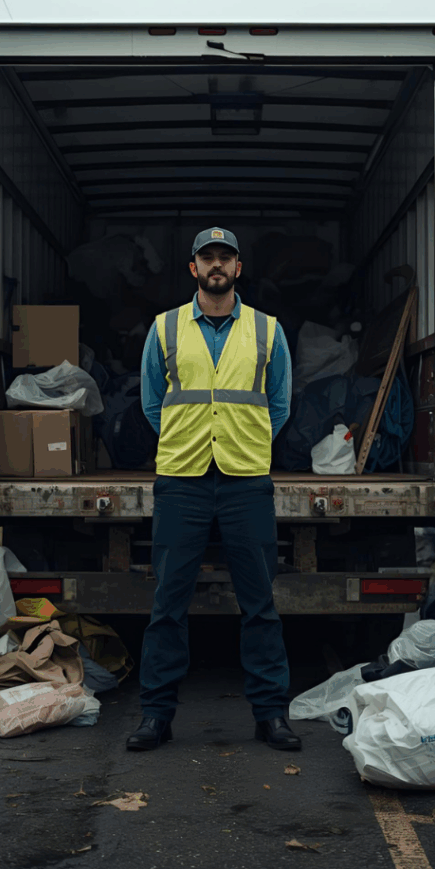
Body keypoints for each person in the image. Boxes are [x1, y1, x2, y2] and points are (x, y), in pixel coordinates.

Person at [126, 226, 300, 752]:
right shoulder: (165, 328)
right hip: (182, 480)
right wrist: (190, 440)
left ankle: (270, 715)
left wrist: (240, 441)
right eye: (208, 258)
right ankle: (156, 716)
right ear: (194, 269)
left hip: (247, 480)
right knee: (167, 606)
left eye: (226, 257)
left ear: (238, 269)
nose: (217, 265)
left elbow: (280, 406)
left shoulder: (269, 331)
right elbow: (153, 403)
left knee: (260, 605)